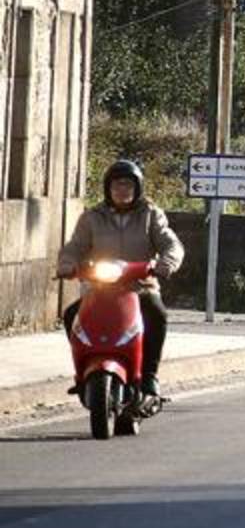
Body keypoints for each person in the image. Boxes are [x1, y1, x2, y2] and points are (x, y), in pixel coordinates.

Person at [57, 160, 184, 397]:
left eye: (128, 185)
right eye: (116, 185)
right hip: (100, 289)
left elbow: (171, 244)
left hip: (139, 287)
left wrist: (165, 264)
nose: (122, 190)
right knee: (71, 315)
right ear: (108, 188)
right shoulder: (92, 217)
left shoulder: (150, 214)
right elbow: (75, 247)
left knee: (157, 314)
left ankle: (149, 375)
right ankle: (82, 371)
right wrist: (67, 265)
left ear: (137, 188)